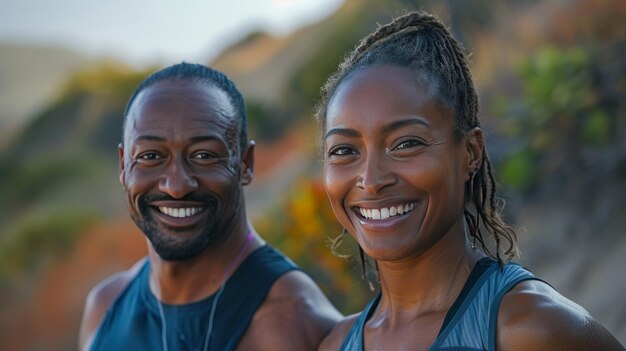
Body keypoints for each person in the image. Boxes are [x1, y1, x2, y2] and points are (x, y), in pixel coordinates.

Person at [315, 11, 624, 351]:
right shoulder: (334, 344)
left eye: (406, 144)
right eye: (344, 150)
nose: (371, 181)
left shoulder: (533, 330)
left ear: (471, 152)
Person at [79, 62, 342, 351]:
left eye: (203, 155)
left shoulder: (293, 326)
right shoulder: (105, 307)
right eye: (151, 155)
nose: (176, 186)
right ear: (123, 166)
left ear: (245, 163)